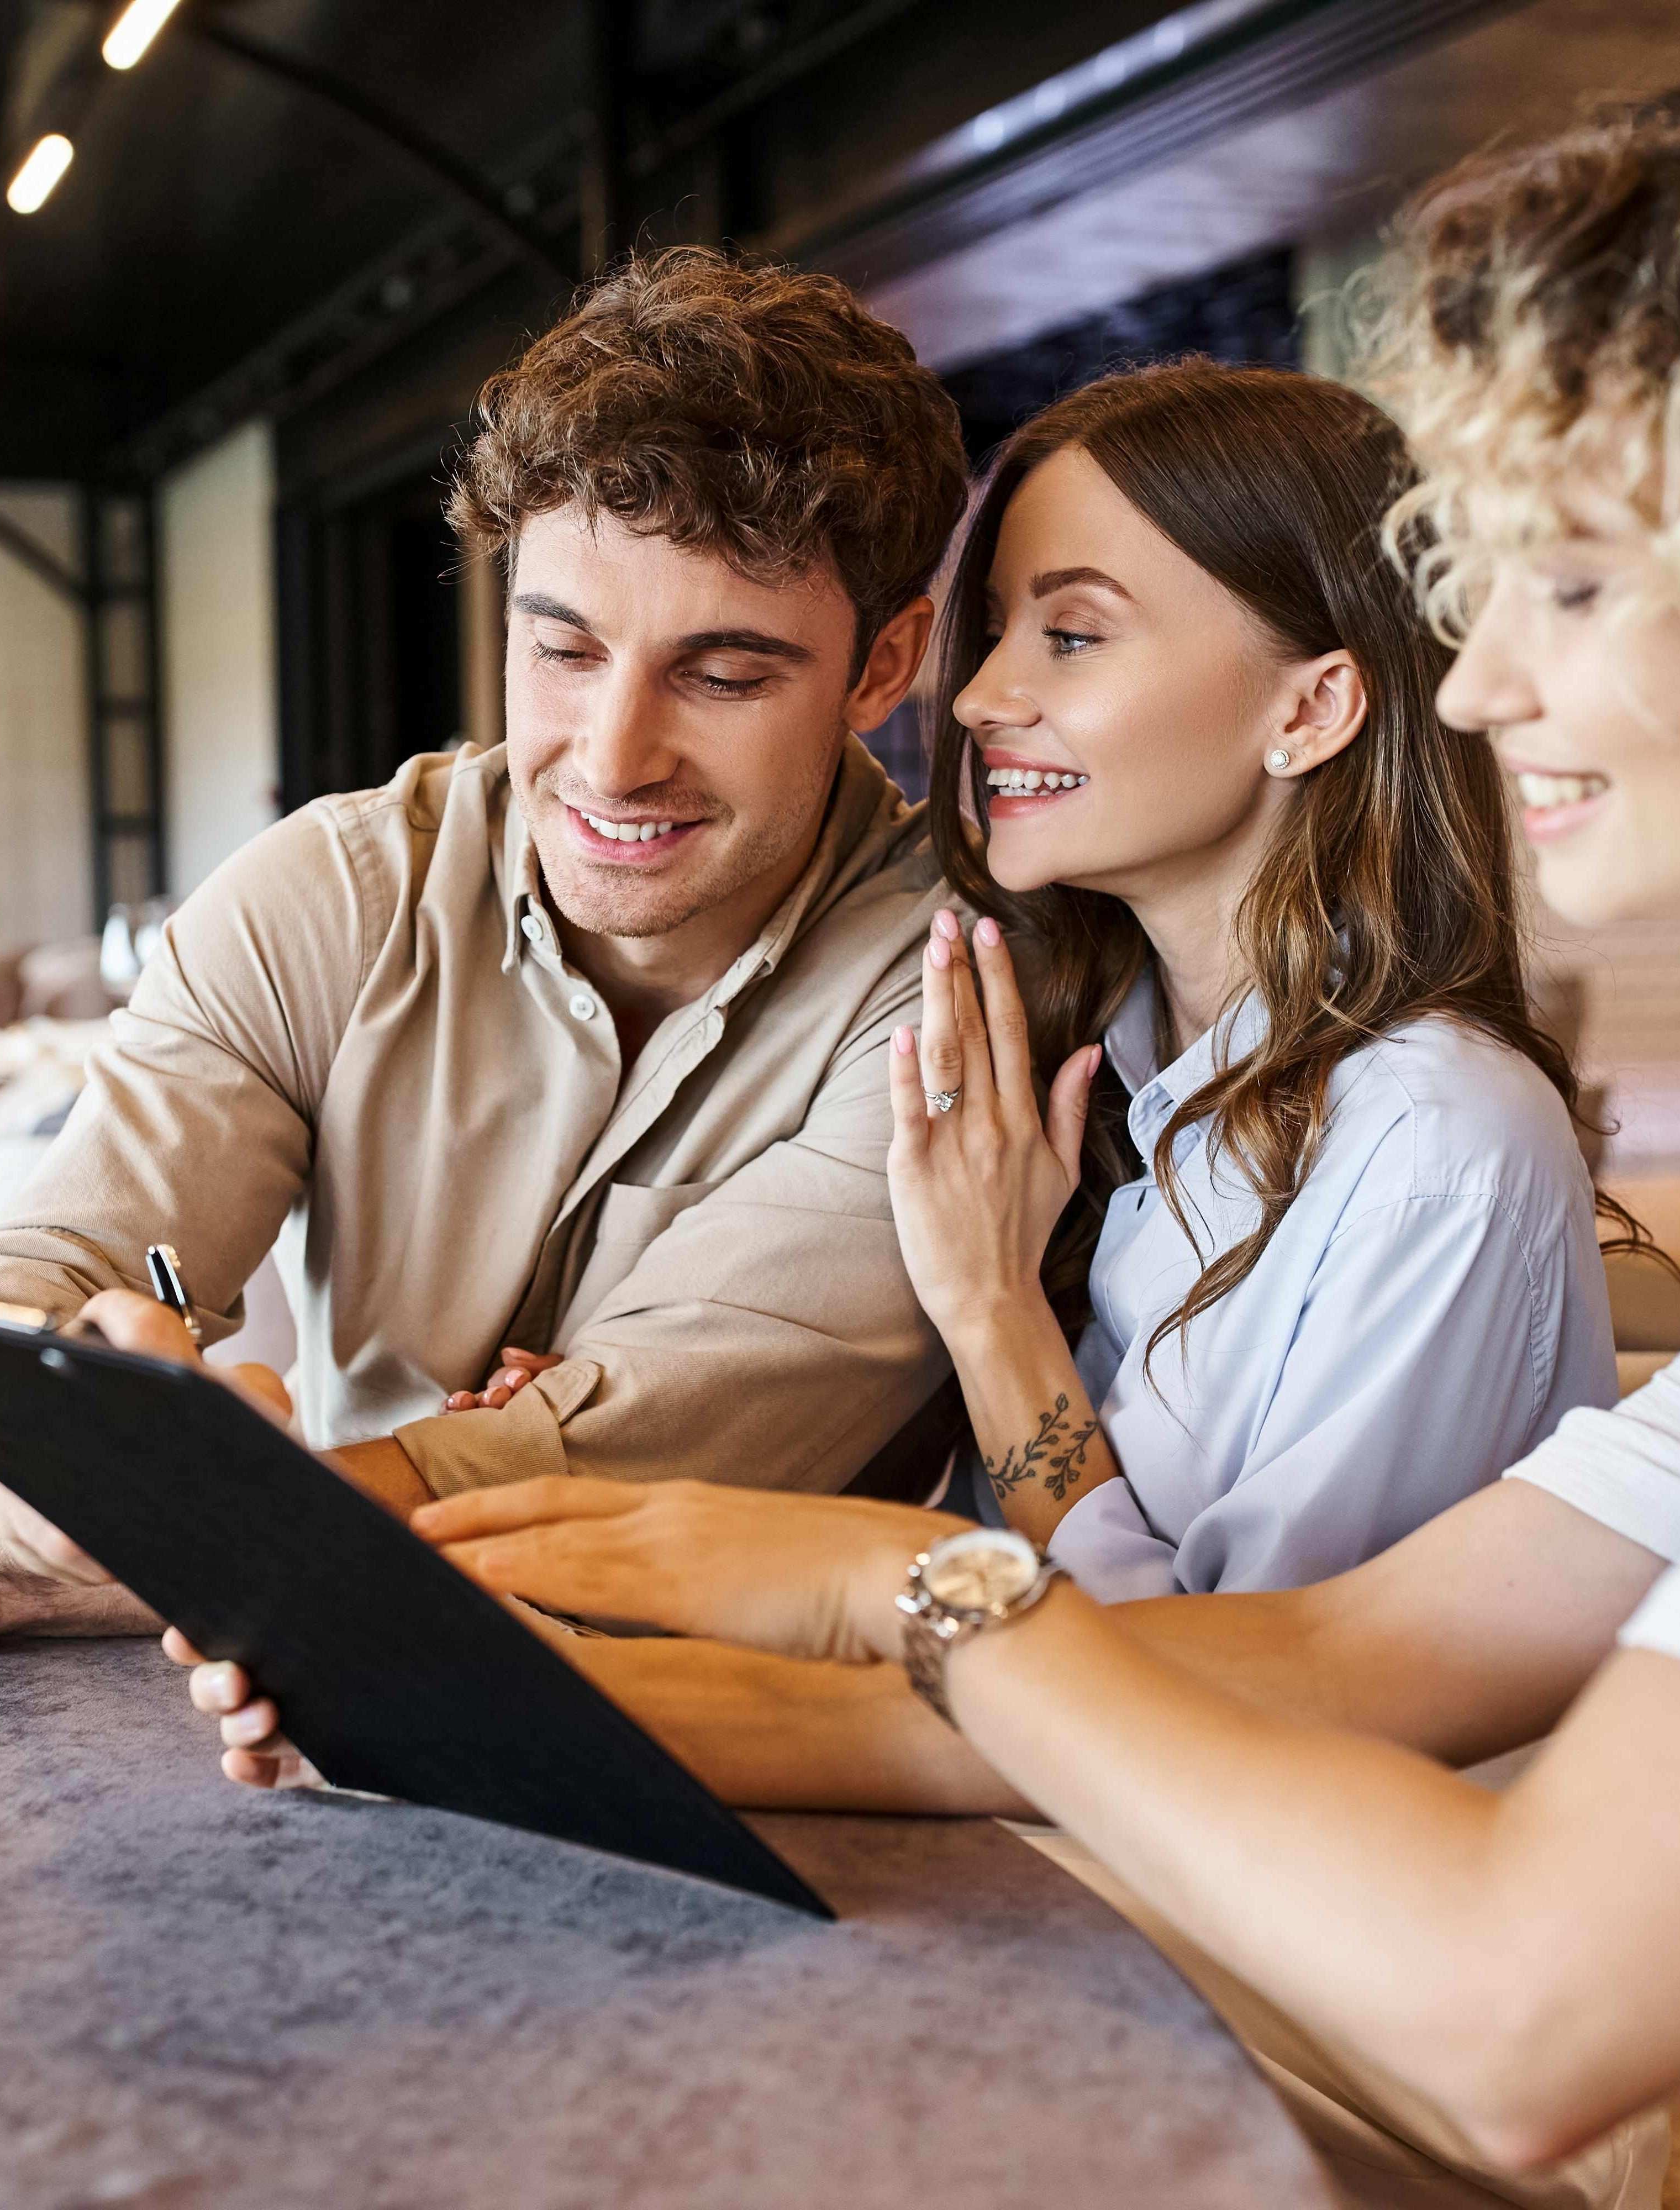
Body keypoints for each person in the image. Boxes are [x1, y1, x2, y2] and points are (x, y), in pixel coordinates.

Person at [190, 43, 1680, 2209]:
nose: (1476, 684)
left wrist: (899, 1583)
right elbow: (1342, 1651)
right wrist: (505, 1701)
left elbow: (1524, 2012)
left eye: (1574, 583)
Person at [0, 246, 973, 1653]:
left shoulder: (949, 986)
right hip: (294, 1708)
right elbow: (12, 1302)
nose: (612, 758)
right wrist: (48, 1462)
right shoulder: (336, 894)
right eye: (561, 652)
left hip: (768, 1739)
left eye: (722, 675)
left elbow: (603, 1498)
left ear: (883, 663)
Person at [464, 359, 1618, 1603]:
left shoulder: (1433, 1145)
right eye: (999, 629)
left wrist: (992, 1312)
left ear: (1311, 708)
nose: (977, 696)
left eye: (1070, 636)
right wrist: (642, 1406)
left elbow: (1231, 1691)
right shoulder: (1078, 1058)